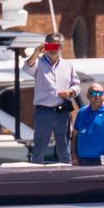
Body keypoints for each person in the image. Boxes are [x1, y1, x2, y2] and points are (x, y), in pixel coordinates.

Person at [23, 32, 81, 163]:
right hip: (43, 111)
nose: (53, 49)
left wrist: (70, 92)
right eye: (49, 45)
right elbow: (27, 68)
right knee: (39, 149)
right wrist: (37, 51)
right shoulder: (38, 62)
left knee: (64, 150)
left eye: (55, 45)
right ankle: (36, 177)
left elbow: (77, 85)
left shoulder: (68, 65)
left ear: (60, 47)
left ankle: (66, 178)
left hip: (62, 112)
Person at [71, 85, 104, 165]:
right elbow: (75, 135)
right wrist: (73, 154)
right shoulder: (81, 112)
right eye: (94, 93)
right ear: (88, 96)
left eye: (100, 93)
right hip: (82, 160)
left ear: (103, 96)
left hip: (103, 161)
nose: (97, 96)